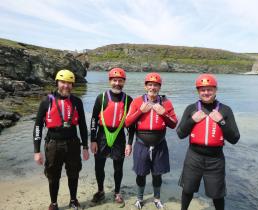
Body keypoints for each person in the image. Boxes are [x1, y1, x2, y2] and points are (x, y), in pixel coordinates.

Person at [176, 74, 240, 210]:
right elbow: (180, 133)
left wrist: (221, 121)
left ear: (215, 90)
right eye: (202, 90)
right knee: (187, 189)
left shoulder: (225, 110)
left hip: (215, 159)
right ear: (198, 92)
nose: (206, 92)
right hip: (194, 157)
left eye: (209, 89)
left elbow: (235, 138)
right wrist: (192, 120)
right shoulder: (191, 109)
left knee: (217, 194)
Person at [33, 69, 89, 210]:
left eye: (69, 83)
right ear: (57, 82)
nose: (66, 86)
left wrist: (85, 147)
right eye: (63, 82)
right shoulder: (47, 101)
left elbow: (82, 126)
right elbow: (38, 126)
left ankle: (73, 200)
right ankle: (54, 203)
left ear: (73, 85)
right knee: (53, 175)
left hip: (73, 143)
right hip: (53, 144)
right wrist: (36, 151)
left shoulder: (77, 102)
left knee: (74, 173)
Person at [125, 72, 178, 209]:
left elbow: (173, 124)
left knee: (157, 174)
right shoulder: (137, 102)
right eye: (150, 84)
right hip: (141, 144)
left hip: (159, 144)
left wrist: (164, 114)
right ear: (145, 86)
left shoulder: (166, 102)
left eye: (155, 85)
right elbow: (127, 123)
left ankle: (157, 198)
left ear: (159, 87)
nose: (152, 87)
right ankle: (140, 198)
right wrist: (140, 111)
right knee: (140, 174)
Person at [90, 67, 134, 206]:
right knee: (99, 166)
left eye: (120, 81)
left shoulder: (128, 100)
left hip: (119, 136)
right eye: (114, 80)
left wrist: (129, 143)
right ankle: (101, 191)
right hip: (102, 135)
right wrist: (92, 140)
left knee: (118, 167)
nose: (117, 83)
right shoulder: (101, 98)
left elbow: (131, 125)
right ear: (110, 81)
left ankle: (117, 192)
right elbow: (93, 120)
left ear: (124, 82)